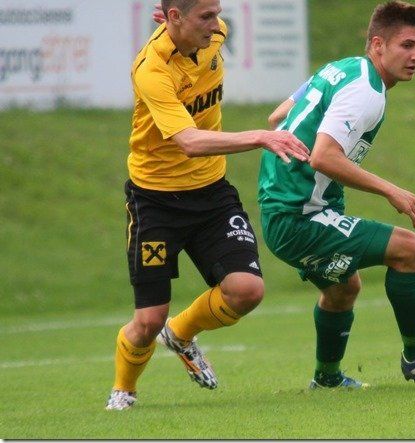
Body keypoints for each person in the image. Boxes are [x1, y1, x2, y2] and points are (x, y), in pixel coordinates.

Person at [105, 0, 309, 410]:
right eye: (206, 16)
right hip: (155, 200)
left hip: (211, 194)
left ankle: (180, 334)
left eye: (218, 13)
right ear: (175, 18)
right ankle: (123, 390)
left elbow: (199, 21)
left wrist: (186, 19)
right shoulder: (151, 69)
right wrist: (261, 136)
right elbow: (189, 142)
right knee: (148, 320)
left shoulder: (213, 35)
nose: (218, 25)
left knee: (247, 290)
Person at [258, 0, 415, 389]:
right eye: (407, 45)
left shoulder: (341, 68)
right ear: (377, 44)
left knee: (343, 288)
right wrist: (391, 190)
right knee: (409, 249)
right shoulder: (366, 91)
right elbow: (323, 156)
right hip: (299, 216)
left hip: (284, 207)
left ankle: (327, 379)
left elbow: (278, 116)